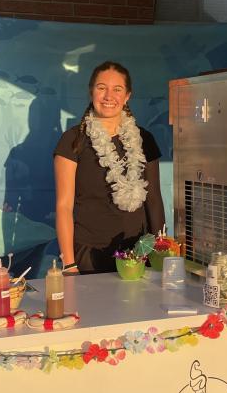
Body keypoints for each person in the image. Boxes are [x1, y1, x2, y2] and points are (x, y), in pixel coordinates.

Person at [54, 61, 165, 275]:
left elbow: (154, 201)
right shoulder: (73, 141)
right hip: (88, 257)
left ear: (127, 96)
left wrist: (159, 250)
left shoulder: (145, 140)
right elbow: (64, 206)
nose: (108, 96)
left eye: (117, 89)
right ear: (91, 91)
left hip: (138, 255)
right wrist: (69, 264)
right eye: (101, 87)